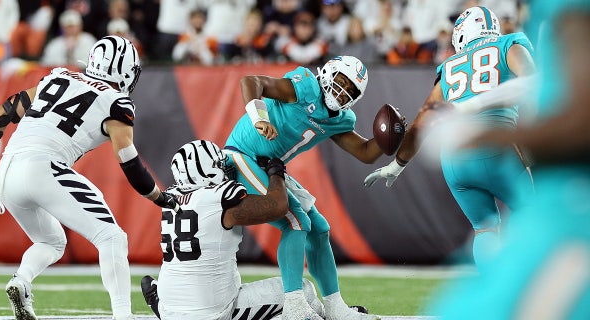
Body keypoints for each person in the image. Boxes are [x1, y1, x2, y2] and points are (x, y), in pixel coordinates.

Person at [0, 36, 177, 320]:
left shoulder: (58, 77)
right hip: (44, 166)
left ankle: (21, 281)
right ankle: (123, 315)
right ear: (126, 71)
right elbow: (130, 163)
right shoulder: (116, 102)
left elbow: (5, 111)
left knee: (51, 242)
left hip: (8, 170)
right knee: (112, 237)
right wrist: (159, 197)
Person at [424, 1, 590, 318]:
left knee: (488, 236)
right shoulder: (511, 42)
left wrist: (488, 131)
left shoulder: (452, 64)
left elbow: (579, 111)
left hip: (565, 190)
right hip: (548, 178)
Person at [365, 6, 537, 270]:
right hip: (496, 145)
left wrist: (396, 166)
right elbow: (535, 84)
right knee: (535, 217)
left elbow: (425, 117)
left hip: (454, 159)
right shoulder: (508, 45)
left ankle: (492, 297)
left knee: (485, 228)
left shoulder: (449, 66)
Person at [224, 55, 382, 320]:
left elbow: (366, 152)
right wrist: (259, 118)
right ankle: (294, 304)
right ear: (327, 73)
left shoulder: (339, 119)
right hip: (243, 155)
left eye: (350, 91)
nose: (342, 92)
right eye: (341, 82)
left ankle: (334, 306)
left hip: (270, 166)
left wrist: (393, 137)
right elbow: (252, 81)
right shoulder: (305, 87)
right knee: (296, 221)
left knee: (319, 229)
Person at [140, 139, 325, 320]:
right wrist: (276, 173)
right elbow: (277, 206)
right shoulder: (219, 199)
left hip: (170, 306)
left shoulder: (169, 198)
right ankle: (325, 315)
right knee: (304, 289)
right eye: (219, 164)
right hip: (214, 311)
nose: (224, 168)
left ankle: (160, 304)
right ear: (206, 170)